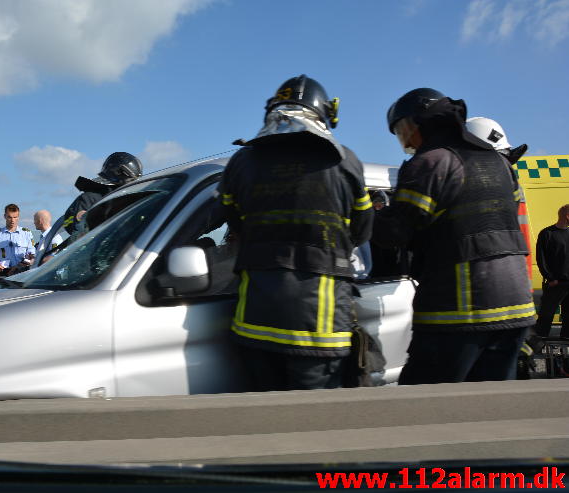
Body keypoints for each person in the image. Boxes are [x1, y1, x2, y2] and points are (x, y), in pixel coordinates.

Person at [218, 74, 373, 391]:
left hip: (255, 321)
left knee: (263, 423)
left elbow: (230, 219)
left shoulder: (242, 162)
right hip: (321, 327)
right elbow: (363, 229)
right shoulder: (345, 162)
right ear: (325, 114)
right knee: (311, 428)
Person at [374, 88, 535, 385]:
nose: (405, 140)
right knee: (490, 410)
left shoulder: (430, 162)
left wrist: (364, 213)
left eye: (403, 130)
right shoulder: (499, 163)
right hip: (517, 307)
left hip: (460, 311)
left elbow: (394, 232)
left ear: (420, 123)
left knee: (425, 408)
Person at [62, 152, 143, 236]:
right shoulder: (89, 199)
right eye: (131, 180)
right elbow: (78, 232)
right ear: (119, 173)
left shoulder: (137, 201)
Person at [534, 204, 569, 339]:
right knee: (546, 315)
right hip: (555, 283)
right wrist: (550, 278)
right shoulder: (547, 234)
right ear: (567, 216)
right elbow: (541, 259)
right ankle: (539, 341)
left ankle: (566, 340)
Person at [0, 203, 35, 277]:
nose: (12, 220)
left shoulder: (27, 233)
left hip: (21, 272)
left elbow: (32, 255)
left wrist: (21, 265)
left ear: (18, 217)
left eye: (15, 217)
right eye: (9, 217)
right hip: (2, 272)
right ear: (5, 216)